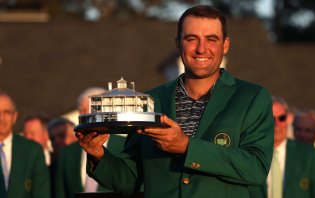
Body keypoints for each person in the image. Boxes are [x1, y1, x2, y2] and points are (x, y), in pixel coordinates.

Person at [76, 5, 274, 198]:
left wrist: (187, 147)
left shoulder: (251, 98)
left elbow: (256, 169)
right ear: (178, 43)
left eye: (211, 39)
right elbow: (129, 179)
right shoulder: (151, 100)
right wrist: (97, 155)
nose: (201, 49)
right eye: (191, 38)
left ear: (226, 44)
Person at [54, 87, 126, 198]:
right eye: (80, 111)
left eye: (85, 110)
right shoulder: (66, 154)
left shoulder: (124, 145)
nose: (81, 116)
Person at [265, 96, 315, 198]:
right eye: (271, 118)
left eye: (281, 118)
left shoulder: (308, 154)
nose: (276, 124)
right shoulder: (252, 152)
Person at [0, 91, 50, 198]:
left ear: (14, 116)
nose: (1, 118)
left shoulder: (33, 151)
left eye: (6, 112)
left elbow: (41, 193)